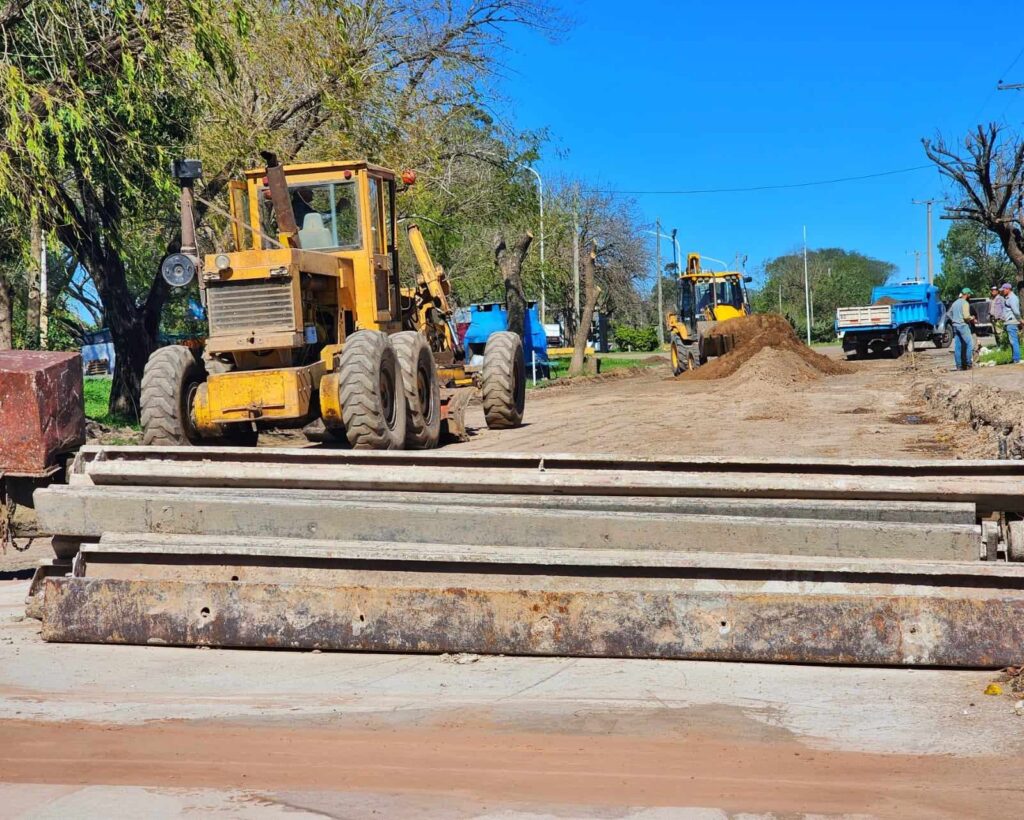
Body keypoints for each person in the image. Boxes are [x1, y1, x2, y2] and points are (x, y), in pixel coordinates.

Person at [949, 287, 975, 370]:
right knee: (970, 344)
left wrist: (954, 320)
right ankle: (968, 364)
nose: (970, 295)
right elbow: (966, 316)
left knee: (958, 347)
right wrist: (972, 318)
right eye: (969, 294)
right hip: (963, 325)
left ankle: (959, 366)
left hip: (955, 326)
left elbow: (949, 314)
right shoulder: (965, 303)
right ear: (967, 294)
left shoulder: (955, 303)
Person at [1000, 282, 1021, 364]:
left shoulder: (1012, 298)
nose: (1002, 291)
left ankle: (1016, 358)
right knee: (1011, 340)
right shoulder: (1008, 298)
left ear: (1008, 289)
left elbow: (1016, 311)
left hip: (1012, 321)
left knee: (1013, 340)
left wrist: (1020, 320)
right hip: (1009, 322)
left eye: (1003, 290)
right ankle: (1014, 358)